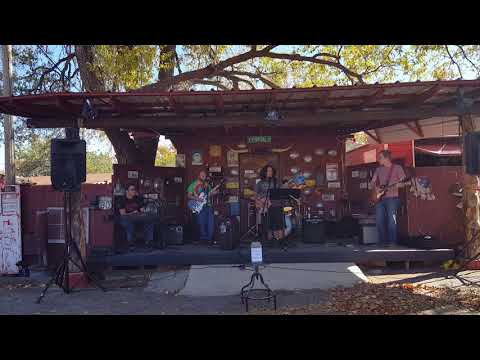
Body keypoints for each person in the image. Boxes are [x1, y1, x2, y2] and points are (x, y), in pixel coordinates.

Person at [370, 150, 407, 248]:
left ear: (387, 158)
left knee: (392, 220)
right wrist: (376, 188)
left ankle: (392, 243)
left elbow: (404, 183)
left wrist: (400, 185)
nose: (378, 160)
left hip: (393, 198)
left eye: (380, 157)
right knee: (379, 220)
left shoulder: (397, 168)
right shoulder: (378, 170)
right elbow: (372, 183)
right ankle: (382, 242)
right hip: (380, 198)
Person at [117, 183, 156, 252]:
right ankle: (130, 243)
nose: (134, 191)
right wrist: (133, 213)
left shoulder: (137, 198)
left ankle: (149, 241)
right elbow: (123, 214)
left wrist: (145, 210)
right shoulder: (122, 199)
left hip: (137, 217)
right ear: (127, 191)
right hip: (126, 218)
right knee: (129, 223)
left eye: (134, 190)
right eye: (132, 190)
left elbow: (141, 210)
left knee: (149, 220)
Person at [255, 165, 286, 243]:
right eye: (268, 171)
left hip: (276, 205)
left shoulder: (276, 182)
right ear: (264, 172)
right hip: (264, 206)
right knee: (268, 224)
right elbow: (255, 195)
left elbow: (281, 194)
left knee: (278, 224)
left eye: (271, 171)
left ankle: (279, 241)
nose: (270, 172)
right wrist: (260, 201)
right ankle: (269, 241)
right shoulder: (260, 183)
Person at [187, 169, 219, 244]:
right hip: (200, 206)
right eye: (202, 175)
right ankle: (203, 239)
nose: (203, 177)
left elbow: (209, 194)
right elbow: (189, 195)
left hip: (208, 205)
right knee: (201, 222)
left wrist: (215, 192)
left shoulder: (207, 185)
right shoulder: (193, 184)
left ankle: (209, 239)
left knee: (210, 222)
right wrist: (197, 198)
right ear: (199, 176)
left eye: (204, 175)